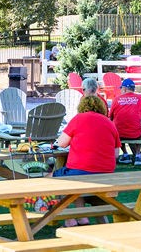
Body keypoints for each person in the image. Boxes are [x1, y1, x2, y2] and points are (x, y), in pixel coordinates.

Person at [53, 94, 120, 226]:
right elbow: (116, 154)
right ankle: (83, 218)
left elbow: (61, 143)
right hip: (105, 176)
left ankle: (70, 220)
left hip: (80, 172)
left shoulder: (78, 119)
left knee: (51, 180)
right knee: (77, 182)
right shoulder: (110, 123)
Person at [110, 78, 141, 165]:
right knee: (140, 128)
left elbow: (110, 116)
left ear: (124, 89)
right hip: (135, 133)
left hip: (119, 134)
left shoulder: (116, 99)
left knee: (117, 127)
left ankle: (125, 154)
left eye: (121, 89)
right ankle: (138, 156)